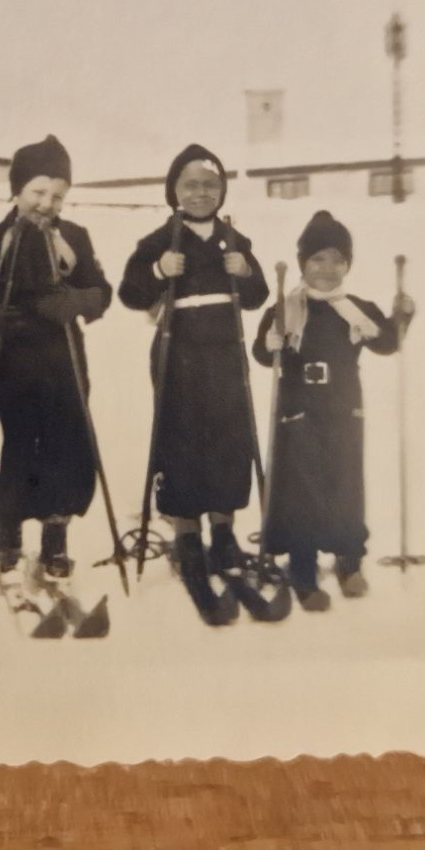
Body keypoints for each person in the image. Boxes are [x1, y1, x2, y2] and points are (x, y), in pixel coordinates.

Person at [118, 143, 268, 624]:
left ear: (222, 190)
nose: (201, 193)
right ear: (174, 192)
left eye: (210, 184)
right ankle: (186, 537)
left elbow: (257, 296)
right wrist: (160, 270)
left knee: (230, 439)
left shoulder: (233, 238)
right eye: (191, 185)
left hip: (225, 350)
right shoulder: (162, 238)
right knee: (181, 442)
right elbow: (130, 290)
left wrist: (245, 272)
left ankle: (223, 535)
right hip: (177, 352)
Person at [0, 135, 112, 578]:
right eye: (37, 193)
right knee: (21, 438)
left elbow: (102, 290)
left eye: (58, 196)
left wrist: (78, 302)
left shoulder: (75, 237)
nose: (47, 204)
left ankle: (55, 535)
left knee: (67, 440)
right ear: (17, 190)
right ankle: (8, 530)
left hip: (63, 352)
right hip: (15, 355)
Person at [252, 209, 415, 610]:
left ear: (348, 265)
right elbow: (261, 352)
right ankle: (303, 569)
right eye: (318, 259)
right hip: (298, 408)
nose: (328, 269)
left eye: (338, 260)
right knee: (302, 489)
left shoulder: (356, 308)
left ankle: (348, 561)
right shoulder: (285, 308)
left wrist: (402, 316)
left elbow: (386, 343)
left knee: (344, 483)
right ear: (303, 263)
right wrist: (269, 345)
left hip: (344, 406)